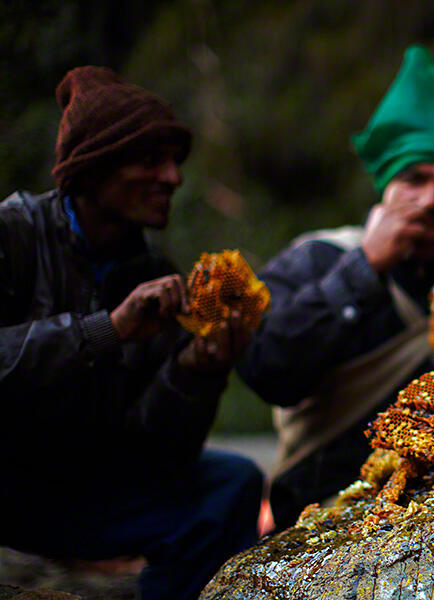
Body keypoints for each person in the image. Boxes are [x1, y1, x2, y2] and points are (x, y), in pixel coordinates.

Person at [238, 45, 434, 530]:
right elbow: (267, 370)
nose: (429, 201)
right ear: (386, 186)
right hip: (319, 504)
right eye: (414, 178)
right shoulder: (319, 257)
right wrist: (364, 268)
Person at [0, 66, 264, 600]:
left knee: (231, 483)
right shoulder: (15, 234)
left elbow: (151, 455)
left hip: (77, 494)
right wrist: (108, 328)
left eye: (174, 162)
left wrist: (195, 373)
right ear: (91, 169)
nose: (173, 177)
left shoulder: (152, 273)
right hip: (7, 484)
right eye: (150, 160)